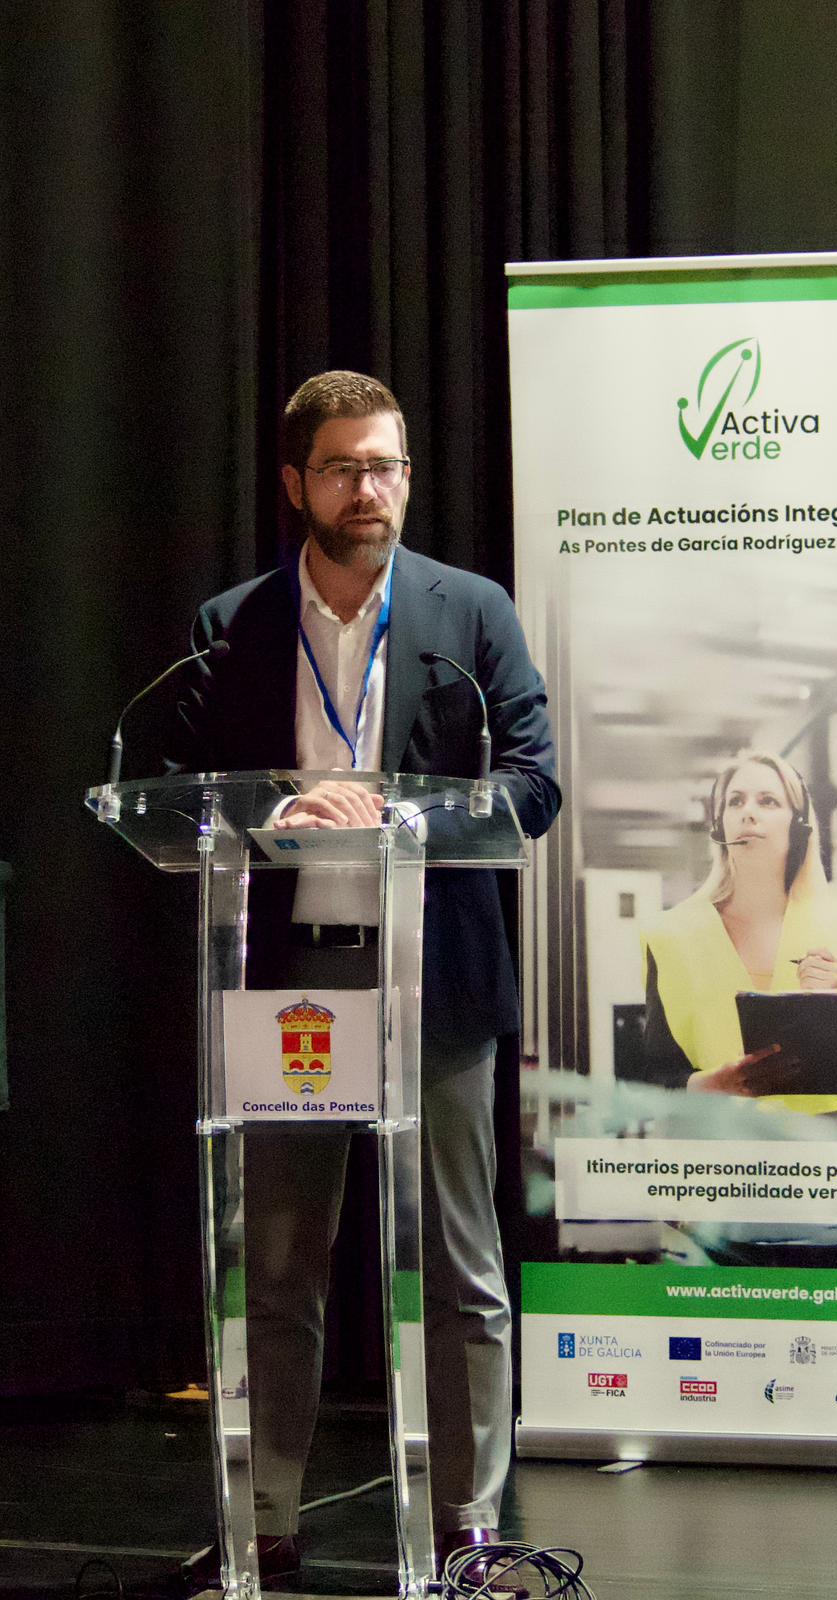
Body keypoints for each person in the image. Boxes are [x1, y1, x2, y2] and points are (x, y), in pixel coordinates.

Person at [165, 371, 560, 1590]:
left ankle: (467, 1527)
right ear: (297, 483)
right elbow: (178, 787)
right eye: (342, 468)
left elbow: (534, 779)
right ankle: (266, 1520)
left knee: (460, 1266)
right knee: (278, 1268)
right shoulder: (233, 624)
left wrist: (406, 817)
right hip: (287, 983)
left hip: (436, 982)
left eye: (385, 465)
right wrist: (275, 812)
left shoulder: (469, 611)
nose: (369, 489)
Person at [641, 751, 837, 1133]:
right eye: (735, 801)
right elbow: (651, 1075)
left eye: (767, 801)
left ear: (798, 825)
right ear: (719, 824)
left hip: (831, 1156)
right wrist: (709, 1086)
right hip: (720, 1156)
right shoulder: (671, 934)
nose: (748, 812)